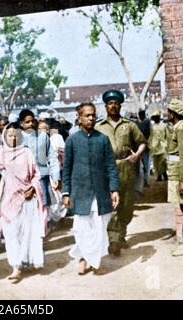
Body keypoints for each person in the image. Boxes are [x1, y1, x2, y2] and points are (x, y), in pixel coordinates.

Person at [62, 103, 120, 275]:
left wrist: (114, 189)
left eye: (93, 115)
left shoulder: (102, 139)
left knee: (99, 228)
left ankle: (94, 261)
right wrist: (66, 192)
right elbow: (67, 168)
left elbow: (111, 166)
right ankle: (85, 258)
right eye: (87, 115)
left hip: (100, 192)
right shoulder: (72, 140)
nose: (91, 118)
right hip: (80, 193)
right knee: (82, 228)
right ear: (79, 118)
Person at [0, 122, 47, 282]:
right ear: (4, 136)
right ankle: (15, 267)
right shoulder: (0, 155)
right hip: (8, 200)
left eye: (16, 134)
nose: (13, 138)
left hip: (27, 198)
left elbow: (36, 174)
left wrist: (32, 188)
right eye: (10, 135)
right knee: (11, 234)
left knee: (28, 233)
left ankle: (27, 260)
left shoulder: (27, 152)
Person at [95, 89, 147, 256]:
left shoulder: (129, 125)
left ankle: (122, 233)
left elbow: (142, 143)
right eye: (110, 104)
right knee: (112, 202)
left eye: (116, 103)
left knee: (126, 203)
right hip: (107, 167)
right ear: (105, 106)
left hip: (126, 166)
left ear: (120, 105)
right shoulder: (99, 126)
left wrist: (137, 155)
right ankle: (114, 239)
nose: (113, 106)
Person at [165, 99, 183, 256]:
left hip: (179, 175)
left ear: (173, 113)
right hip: (176, 173)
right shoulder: (177, 128)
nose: (166, 113)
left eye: (168, 111)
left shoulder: (181, 129)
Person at [19, 109, 61, 210]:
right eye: (27, 122)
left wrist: (56, 177)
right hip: (23, 180)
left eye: (32, 121)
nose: (31, 124)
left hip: (42, 178)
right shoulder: (17, 138)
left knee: (43, 207)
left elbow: (52, 157)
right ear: (21, 124)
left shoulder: (42, 136)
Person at [148, 110, 170, 181]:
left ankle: (165, 175)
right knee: (156, 162)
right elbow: (151, 137)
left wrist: (167, 144)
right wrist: (150, 145)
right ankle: (159, 176)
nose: (155, 119)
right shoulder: (152, 127)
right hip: (154, 147)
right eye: (154, 117)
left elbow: (168, 135)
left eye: (156, 117)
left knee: (163, 161)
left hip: (162, 145)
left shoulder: (164, 125)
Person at [135, 109, 151, 187]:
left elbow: (150, 133)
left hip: (143, 146)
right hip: (140, 146)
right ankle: (143, 181)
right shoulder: (139, 123)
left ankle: (145, 180)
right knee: (141, 165)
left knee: (145, 165)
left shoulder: (145, 122)